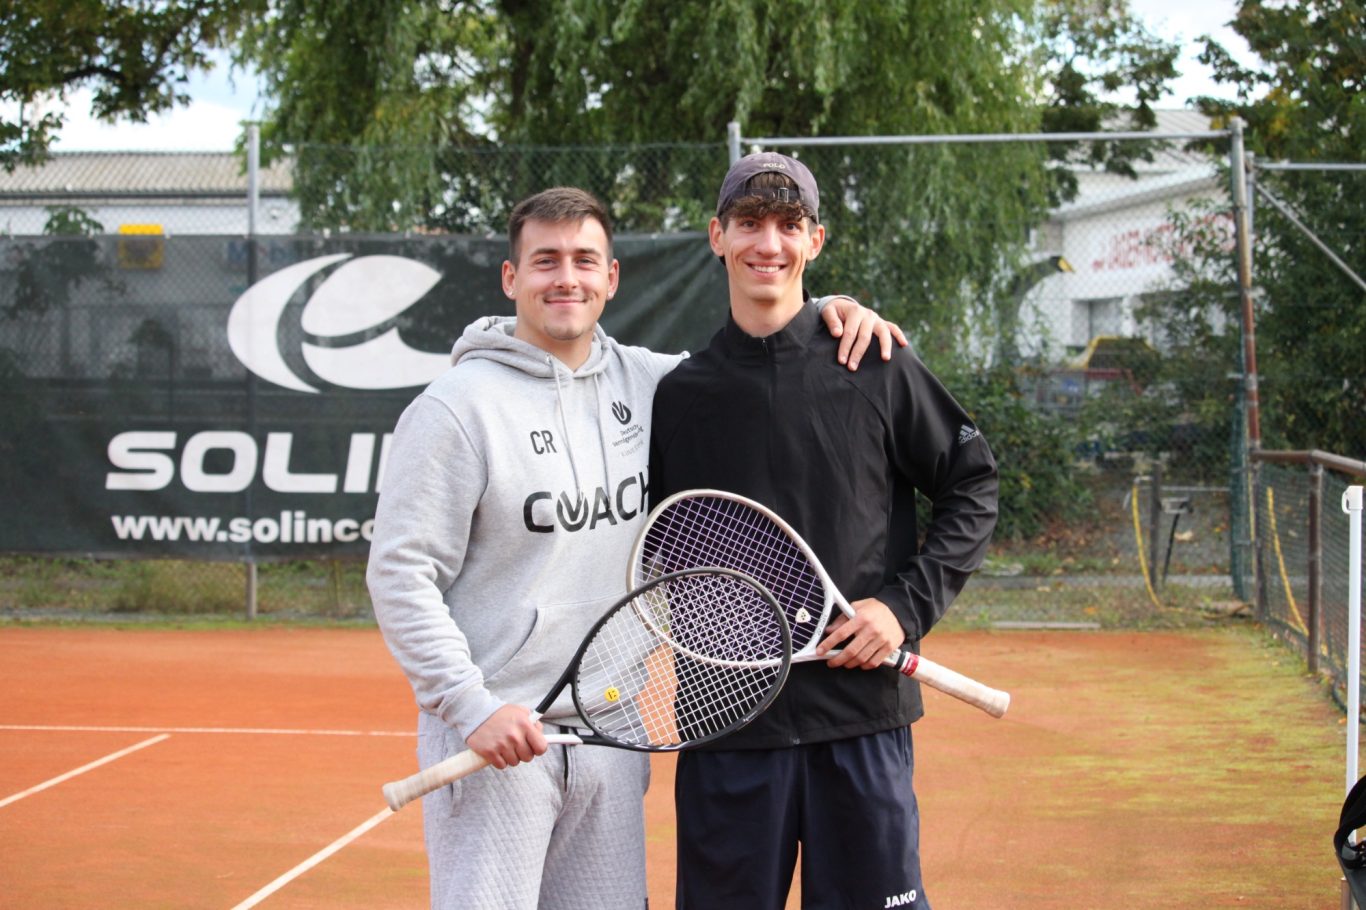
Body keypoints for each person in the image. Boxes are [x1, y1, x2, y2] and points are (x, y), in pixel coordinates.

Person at [366, 185, 906, 910]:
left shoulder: (655, 384)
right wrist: (471, 707)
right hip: (497, 737)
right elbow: (400, 574)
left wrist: (827, 310)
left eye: (585, 260)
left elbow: (757, 354)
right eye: (546, 261)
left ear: (612, 277)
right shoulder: (454, 409)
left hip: (611, 733)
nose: (567, 279)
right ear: (511, 277)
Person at [647, 153, 1000, 909]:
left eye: (789, 225)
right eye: (749, 223)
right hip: (729, 731)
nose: (767, 243)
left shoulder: (875, 363)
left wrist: (901, 610)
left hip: (859, 721)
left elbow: (972, 483)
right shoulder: (675, 396)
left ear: (815, 240)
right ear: (717, 236)